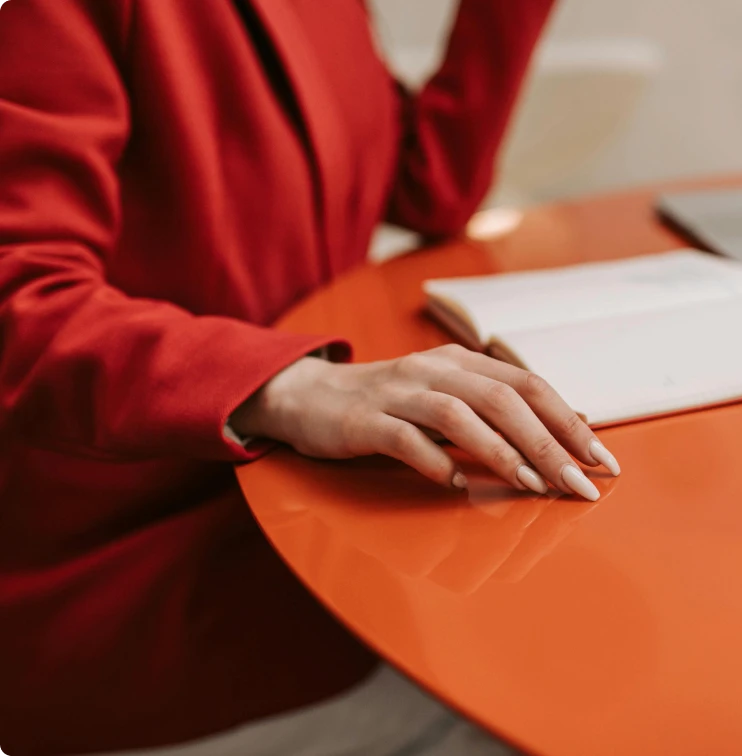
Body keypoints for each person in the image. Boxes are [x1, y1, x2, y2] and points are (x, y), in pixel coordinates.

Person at [0, 1, 619, 754]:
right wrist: (288, 386)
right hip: (145, 572)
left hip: (315, 526)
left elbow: (429, 188)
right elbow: (19, 295)